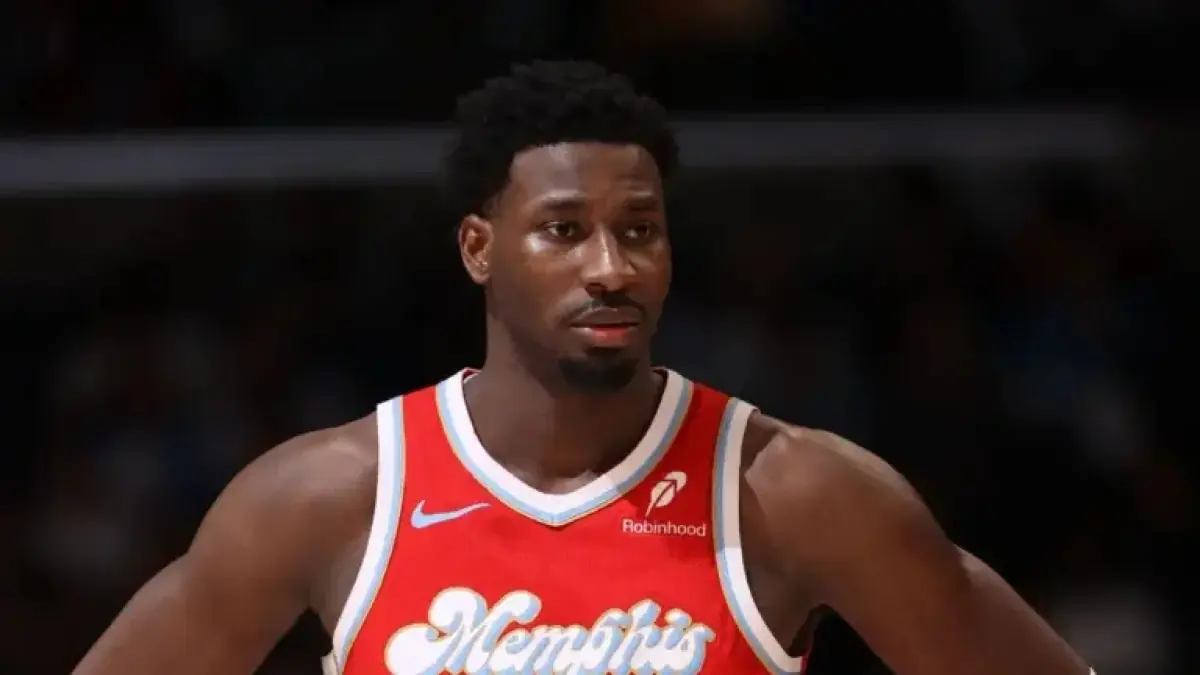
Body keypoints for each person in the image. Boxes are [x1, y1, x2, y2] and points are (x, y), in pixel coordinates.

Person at [73, 61, 1093, 675]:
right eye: (563, 230)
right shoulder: (332, 496)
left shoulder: (795, 491)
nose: (611, 267)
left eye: (639, 230)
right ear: (480, 248)